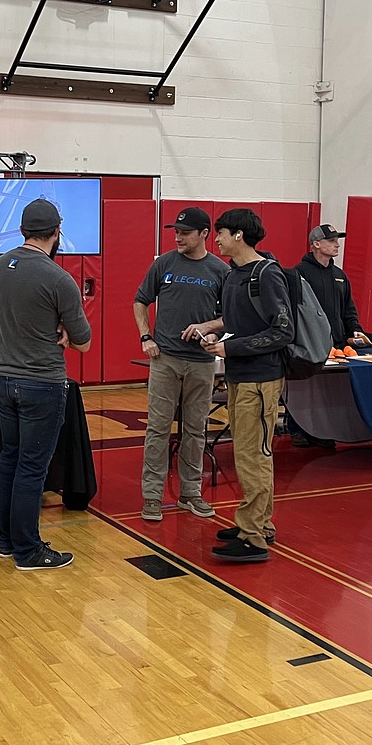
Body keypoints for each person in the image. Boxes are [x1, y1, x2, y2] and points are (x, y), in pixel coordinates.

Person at [0, 198, 92, 570]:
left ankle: (7, 541)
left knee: (10, 461)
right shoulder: (58, 278)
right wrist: (63, 330)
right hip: (42, 383)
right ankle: (29, 551)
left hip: (5, 379)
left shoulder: (0, 266)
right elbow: (83, 342)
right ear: (57, 233)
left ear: (22, 231)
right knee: (32, 468)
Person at [201, 208, 294, 563]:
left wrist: (229, 347)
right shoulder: (235, 275)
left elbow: (282, 331)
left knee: (253, 455)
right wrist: (211, 327)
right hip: (241, 376)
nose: (217, 239)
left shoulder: (267, 275)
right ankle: (258, 524)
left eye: (221, 232)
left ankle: (253, 536)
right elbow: (240, 320)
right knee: (251, 453)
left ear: (239, 235)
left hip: (261, 378)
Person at [133, 206, 230, 522]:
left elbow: (230, 316)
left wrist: (207, 327)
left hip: (201, 363)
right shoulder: (163, 264)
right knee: (157, 429)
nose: (178, 237)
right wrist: (146, 336)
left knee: (195, 430)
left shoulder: (220, 271)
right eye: (175, 231)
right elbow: (140, 301)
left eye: (185, 233)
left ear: (204, 234)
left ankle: (191, 494)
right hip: (165, 360)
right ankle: (152, 497)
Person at [287, 223, 372, 447]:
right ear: (316, 244)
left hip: (338, 345)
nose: (337, 245)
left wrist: (356, 331)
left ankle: (326, 429)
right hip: (310, 345)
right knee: (304, 389)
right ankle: (297, 428)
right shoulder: (299, 274)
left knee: (330, 389)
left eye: (337, 240)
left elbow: (348, 309)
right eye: (331, 240)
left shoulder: (339, 275)